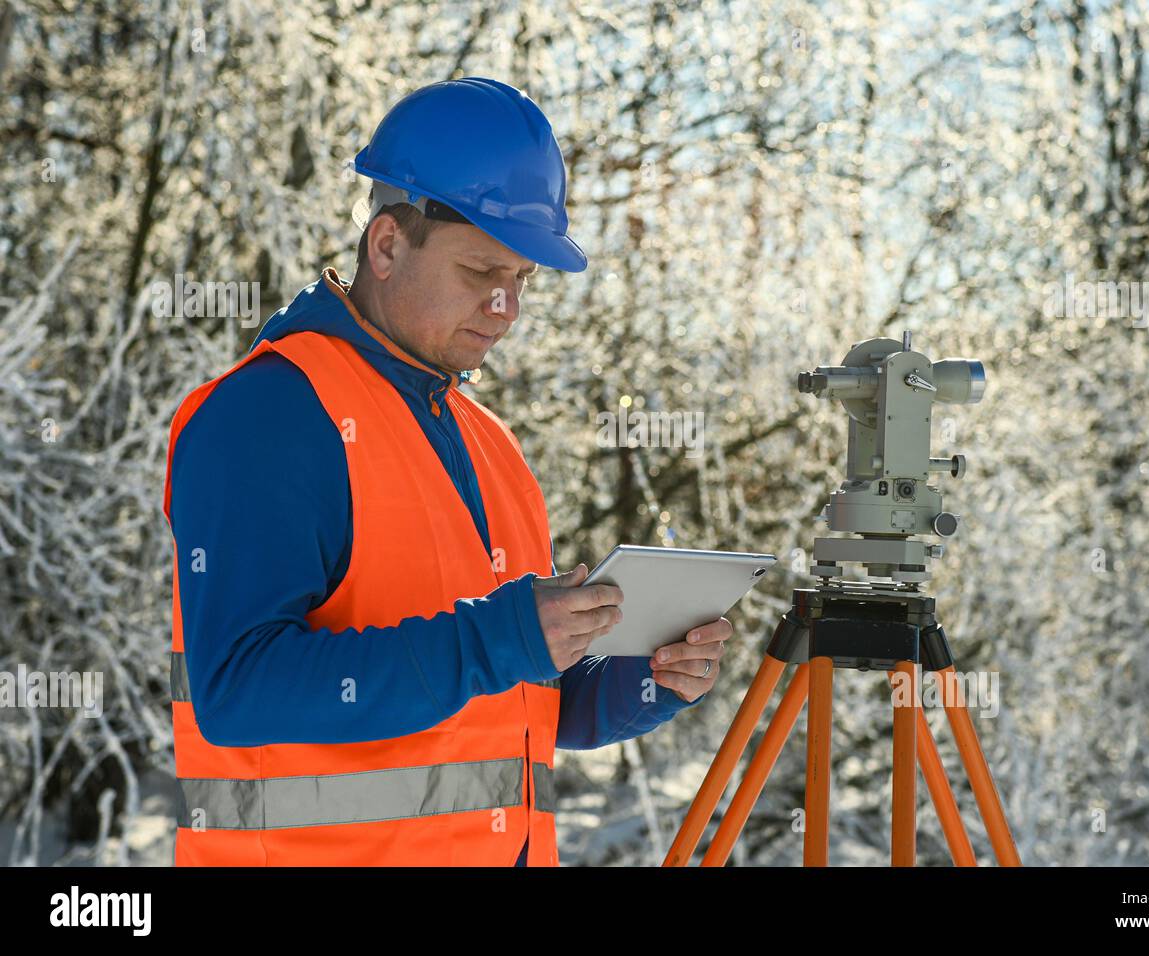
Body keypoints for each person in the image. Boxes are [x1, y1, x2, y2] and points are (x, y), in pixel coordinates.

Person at [162, 77, 733, 866]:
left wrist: (644, 682)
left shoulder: (489, 443)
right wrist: (498, 638)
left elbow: (509, 701)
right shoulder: (272, 415)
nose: (506, 310)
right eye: (480, 273)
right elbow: (235, 691)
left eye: (521, 283)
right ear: (387, 244)